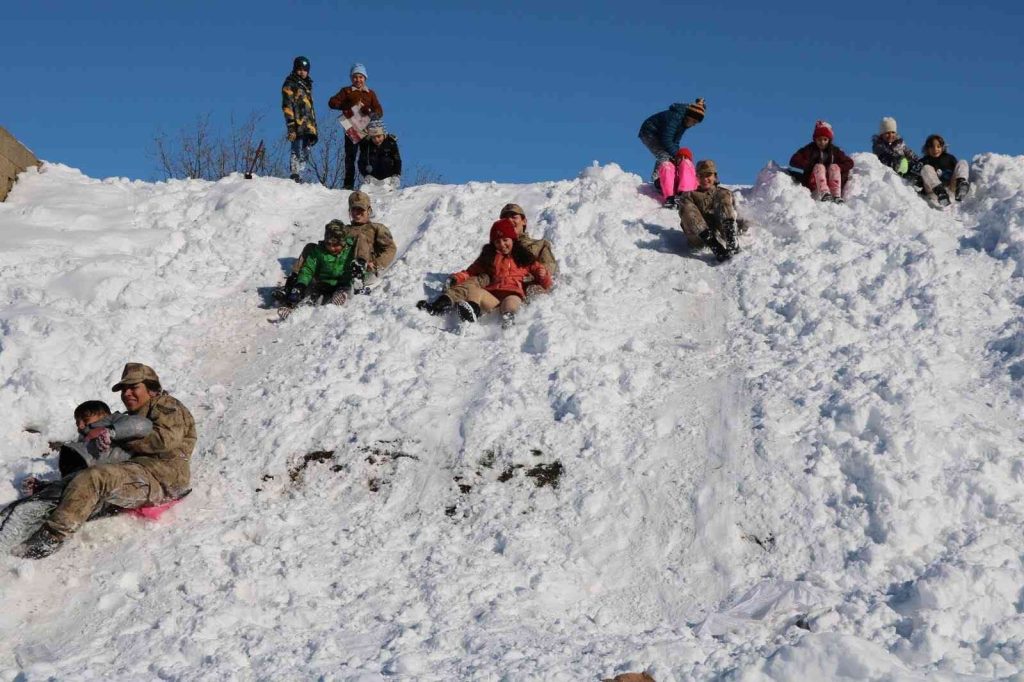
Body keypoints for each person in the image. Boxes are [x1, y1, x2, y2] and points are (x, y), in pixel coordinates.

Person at [17, 363, 196, 559]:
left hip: (161, 478)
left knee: (96, 479)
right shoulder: (131, 418)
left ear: (151, 390)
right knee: (89, 478)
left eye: (134, 387)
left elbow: (165, 440)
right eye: (123, 389)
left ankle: (51, 538)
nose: (127, 393)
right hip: (138, 474)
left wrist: (117, 435)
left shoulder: (165, 405)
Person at [418, 219, 553, 328]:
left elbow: (544, 279)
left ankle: (508, 318)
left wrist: (543, 275)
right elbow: (471, 271)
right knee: (475, 292)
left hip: (513, 294)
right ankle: (471, 312)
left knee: (511, 301)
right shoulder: (489, 257)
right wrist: (457, 277)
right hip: (492, 297)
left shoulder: (524, 257)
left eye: (505, 240)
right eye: (497, 241)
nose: (502, 244)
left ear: (512, 239)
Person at [19, 401, 153, 495]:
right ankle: (50, 490)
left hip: (113, 474)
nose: (81, 426)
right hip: (91, 472)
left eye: (85, 419)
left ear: (105, 415)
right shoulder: (84, 438)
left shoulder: (114, 420)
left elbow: (143, 424)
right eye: (78, 422)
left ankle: (52, 491)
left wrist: (110, 431)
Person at [278, 221, 361, 318]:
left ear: (343, 242)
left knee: (344, 290)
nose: (331, 248)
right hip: (323, 284)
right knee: (312, 297)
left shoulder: (351, 250)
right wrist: (301, 284)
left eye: (336, 245)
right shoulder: (318, 251)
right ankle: (294, 311)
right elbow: (308, 269)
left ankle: (339, 299)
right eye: (328, 244)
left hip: (343, 282)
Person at [637, 98, 706, 207]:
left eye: (696, 123)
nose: (693, 125)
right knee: (664, 155)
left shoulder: (684, 124)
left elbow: (675, 141)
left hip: (660, 135)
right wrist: (676, 154)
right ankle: (657, 180)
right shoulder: (675, 117)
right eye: (694, 122)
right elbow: (666, 139)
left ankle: (666, 178)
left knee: (671, 155)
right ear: (690, 117)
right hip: (649, 132)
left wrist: (678, 156)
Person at [328, 63, 384, 190]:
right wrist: (347, 105)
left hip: (365, 128)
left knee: (367, 156)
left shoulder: (370, 93)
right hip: (351, 127)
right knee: (350, 156)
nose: (358, 80)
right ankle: (348, 184)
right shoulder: (346, 91)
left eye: (360, 77)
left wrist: (369, 110)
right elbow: (332, 102)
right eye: (355, 77)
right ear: (351, 78)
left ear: (365, 78)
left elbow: (379, 111)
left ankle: (368, 182)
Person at [677, 159, 740, 262]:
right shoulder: (689, 195)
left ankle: (731, 240)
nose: (704, 179)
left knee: (723, 196)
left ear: (715, 176)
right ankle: (715, 246)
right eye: (701, 176)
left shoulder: (724, 193)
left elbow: (735, 212)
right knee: (686, 206)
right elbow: (687, 214)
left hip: (721, 230)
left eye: (708, 175)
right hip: (699, 237)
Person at [789, 120, 855, 203]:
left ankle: (836, 195)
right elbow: (794, 160)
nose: (822, 142)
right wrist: (809, 165)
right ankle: (825, 194)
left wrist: (839, 168)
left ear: (829, 140)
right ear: (815, 140)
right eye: (819, 140)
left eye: (825, 139)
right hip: (814, 181)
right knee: (819, 166)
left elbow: (849, 162)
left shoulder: (835, 151)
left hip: (830, 180)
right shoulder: (810, 149)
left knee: (834, 167)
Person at [281, 56, 318, 183]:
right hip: (297, 123)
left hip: (308, 125)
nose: (302, 72)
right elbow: (287, 105)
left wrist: (314, 129)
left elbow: (311, 109)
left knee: (306, 151)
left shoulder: (307, 86)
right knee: (296, 149)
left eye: (305, 70)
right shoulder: (290, 83)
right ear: (295, 69)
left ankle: (301, 174)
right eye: (299, 69)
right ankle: (295, 173)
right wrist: (291, 125)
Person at [920, 134, 971, 205]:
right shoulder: (924, 160)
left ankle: (961, 186)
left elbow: (958, 170)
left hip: (951, 188)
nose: (935, 149)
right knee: (925, 168)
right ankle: (941, 193)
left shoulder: (949, 158)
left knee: (962, 162)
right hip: (934, 191)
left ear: (942, 147)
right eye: (932, 147)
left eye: (938, 146)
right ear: (927, 148)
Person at [872, 116, 923, 188]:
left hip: (905, 165)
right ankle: (906, 177)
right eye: (887, 133)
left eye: (893, 132)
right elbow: (886, 154)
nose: (890, 135)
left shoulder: (900, 144)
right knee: (903, 160)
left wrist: (920, 161)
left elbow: (910, 153)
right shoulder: (879, 145)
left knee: (915, 164)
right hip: (891, 165)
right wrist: (899, 158)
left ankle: (919, 180)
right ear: (881, 134)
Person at [357, 120, 402, 189]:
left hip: (388, 179)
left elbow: (397, 160)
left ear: (384, 134)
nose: (376, 140)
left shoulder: (391, 143)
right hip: (372, 179)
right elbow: (361, 162)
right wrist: (365, 175)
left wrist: (396, 175)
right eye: (373, 137)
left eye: (378, 136)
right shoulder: (366, 145)